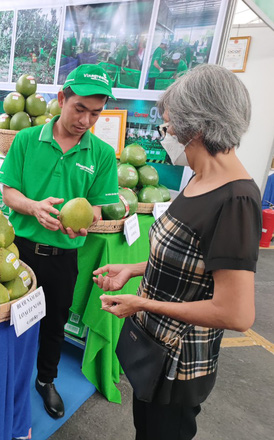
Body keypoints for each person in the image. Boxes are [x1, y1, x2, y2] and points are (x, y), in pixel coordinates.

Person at [93, 64, 261, 439]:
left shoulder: (235, 200)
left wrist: (143, 304)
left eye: (168, 126)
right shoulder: (200, 179)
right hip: (153, 350)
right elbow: (188, 259)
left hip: (178, 365)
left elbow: (235, 313)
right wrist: (134, 270)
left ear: (196, 127)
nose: (164, 134)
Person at [0, 64, 119, 419]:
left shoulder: (101, 154)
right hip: (20, 250)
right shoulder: (25, 140)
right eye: (79, 108)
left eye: (95, 113)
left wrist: (86, 222)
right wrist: (34, 207)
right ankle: (7, 379)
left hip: (65, 255)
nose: (85, 120)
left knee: (54, 323)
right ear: (61, 99)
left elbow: (96, 207)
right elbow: (8, 191)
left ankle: (45, 381)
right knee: (9, 320)